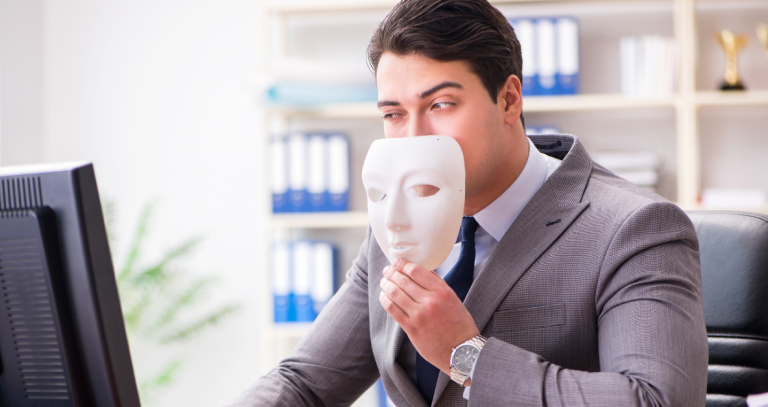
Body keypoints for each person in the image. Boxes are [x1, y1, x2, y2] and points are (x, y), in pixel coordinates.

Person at [229, 0, 708, 405]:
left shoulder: (635, 227)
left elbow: (654, 399)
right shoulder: (393, 227)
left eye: (440, 105)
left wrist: (465, 353)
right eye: (394, 114)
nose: (414, 137)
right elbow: (305, 384)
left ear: (509, 100)